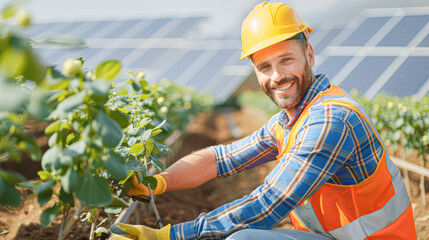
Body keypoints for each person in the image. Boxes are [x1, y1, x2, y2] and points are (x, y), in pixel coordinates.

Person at [110, 2, 416, 239]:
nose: (276, 76)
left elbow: (268, 204)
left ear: (309, 54)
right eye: (264, 67)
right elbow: (221, 158)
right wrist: (159, 182)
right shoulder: (290, 120)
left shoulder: (330, 121)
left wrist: (171, 234)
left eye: (286, 59)